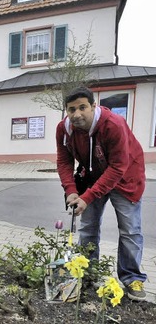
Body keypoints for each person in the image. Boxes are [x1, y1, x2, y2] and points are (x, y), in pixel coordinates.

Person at [56, 86, 147, 301]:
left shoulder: (113, 124)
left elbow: (118, 167)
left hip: (126, 177)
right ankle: (89, 273)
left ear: (93, 106)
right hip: (93, 176)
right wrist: (71, 190)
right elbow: (64, 160)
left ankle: (132, 277)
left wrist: (87, 197)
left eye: (82, 107)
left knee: (130, 230)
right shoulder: (64, 129)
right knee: (87, 228)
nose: (77, 114)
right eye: (71, 109)